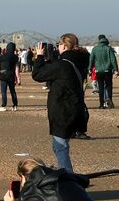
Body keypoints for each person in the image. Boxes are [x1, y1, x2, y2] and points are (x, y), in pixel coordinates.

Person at [31, 35, 89, 173]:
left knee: (60, 146)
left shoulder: (63, 64)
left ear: (64, 45)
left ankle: (67, 177)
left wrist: (39, 56)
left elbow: (37, 75)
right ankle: (65, 172)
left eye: (59, 44)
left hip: (64, 110)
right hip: (75, 108)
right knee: (61, 144)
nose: (57, 47)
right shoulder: (79, 59)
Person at [89, 34, 118, 108]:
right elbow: (113, 60)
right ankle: (110, 102)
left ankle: (101, 104)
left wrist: (89, 69)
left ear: (99, 40)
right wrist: (115, 70)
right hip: (108, 70)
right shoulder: (108, 48)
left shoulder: (95, 49)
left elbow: (91, 59)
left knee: (101, 87)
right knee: (109, 86)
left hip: (98, 71)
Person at [0, 41, 20, 111]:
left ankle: (3, 105)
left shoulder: (2, 56)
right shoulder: (15, 57)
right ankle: (15, 105)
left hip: (3, 75)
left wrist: (0, 53)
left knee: (4, 91)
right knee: (12, 91)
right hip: (11, 75)